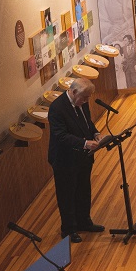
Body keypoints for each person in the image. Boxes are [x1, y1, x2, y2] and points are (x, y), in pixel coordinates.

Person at [47, 77, 104, 244]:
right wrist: (85, 143)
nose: (87, 101)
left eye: (88, 97)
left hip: (83, 156)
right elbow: (61, 136)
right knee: (67, 194)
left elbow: (87, 123)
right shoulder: (57, 108)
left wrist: (95, 133)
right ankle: (69, 229)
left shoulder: (82, 101)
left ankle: (84, 222)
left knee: (83, 190)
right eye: (85, 97)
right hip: (65, 159)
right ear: (73, 92)